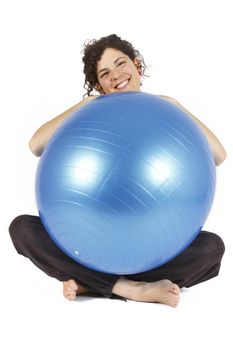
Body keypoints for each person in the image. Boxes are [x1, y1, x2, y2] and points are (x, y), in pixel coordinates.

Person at [9, 34, 226, 308]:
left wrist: (174, 105)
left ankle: (93, 282)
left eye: (121, 63)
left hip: (155, 249)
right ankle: (130, 288)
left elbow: (218, 154)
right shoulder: (89, 112)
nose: (116, 75)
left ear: (138, 66)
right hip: (85, 247)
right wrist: (86, 104)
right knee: (22, 229)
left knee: (212, 249)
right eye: (104, 73)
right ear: (99, 84)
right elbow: (35, 144)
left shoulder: (166, 109)